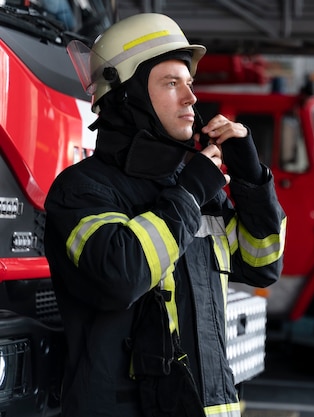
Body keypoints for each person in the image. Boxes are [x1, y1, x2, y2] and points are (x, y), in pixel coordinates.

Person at [44, 13, 286, 417]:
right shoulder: (81, 191)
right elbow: (123, 275)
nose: (191, 97)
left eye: (189, 83)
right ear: (129, 95)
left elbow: (263, 264)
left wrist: (252, 178)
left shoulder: (195, 188)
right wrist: (190, 190)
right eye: (172, 84)